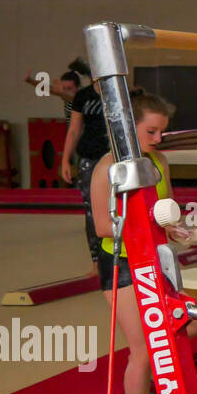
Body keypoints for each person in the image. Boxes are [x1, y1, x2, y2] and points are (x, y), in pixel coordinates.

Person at [89, 90, 197, 394]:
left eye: (162, 131)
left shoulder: (159, 161)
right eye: (151, 132)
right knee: (146, 348)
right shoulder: (107, 169)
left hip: (155, 259)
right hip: (120, 264)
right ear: (128, 128)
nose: (158, 138)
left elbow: (167, 209)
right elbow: (103, 227)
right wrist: (151, 224)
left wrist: (179, 229)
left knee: (183, 324)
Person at [49, 58, 111, 262]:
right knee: (92, 210)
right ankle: (97, 260)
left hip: (115, 158)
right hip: (90, 158)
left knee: (118, 206)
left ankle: (119, 256)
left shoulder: (118, 93)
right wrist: (65, 160)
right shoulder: (83, 96)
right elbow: (74, 130)